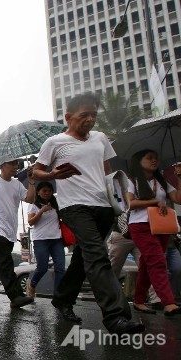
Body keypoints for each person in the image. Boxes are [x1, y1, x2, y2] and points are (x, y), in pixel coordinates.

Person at [33, 93, 144, 334]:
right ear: (69, 117)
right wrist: (52, 175)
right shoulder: (54, 142)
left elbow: (108, 172)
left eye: (94, 115)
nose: (90, 120)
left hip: (104, 207)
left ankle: (62, 298)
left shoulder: (101, 138)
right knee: (98, 255)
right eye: (84, 115)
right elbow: (35, 173)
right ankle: (116, 317)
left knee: (85, 258)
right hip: (74, 206)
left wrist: (119, 199)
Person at [125, 149, 181, 316]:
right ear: (138, 160)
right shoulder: (132, 181)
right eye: (149, 158)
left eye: (156, 158)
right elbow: (131, 203)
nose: (154, 160)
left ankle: (139, 300)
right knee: (157, 261)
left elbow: (178, 199)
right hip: (140, 225)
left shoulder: (162, 181)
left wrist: (179, 177)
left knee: (146, 264)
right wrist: (156, 201)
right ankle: (169, 303)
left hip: (161, 226)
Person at [0, 159, 36, 308]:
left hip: (10, 230)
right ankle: (15, 296)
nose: (16, 167)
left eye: (17, 164)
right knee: (5, 261)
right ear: (2, 165)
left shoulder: (17, 184)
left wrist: (31, 181)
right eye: (12, 164)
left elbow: (30, 199)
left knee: (1, 261)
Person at [26, 181, 65, 297]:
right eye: (44, 191)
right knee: (42, 268)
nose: (47, 193)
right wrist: (41, 211)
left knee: (60, 268)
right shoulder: (33, 205)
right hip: (40, 240)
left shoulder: (56, 204)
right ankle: (32, 284)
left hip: (56, 239)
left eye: (49, 191)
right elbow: (31, 222)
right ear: (38, 192)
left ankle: (58, 296)